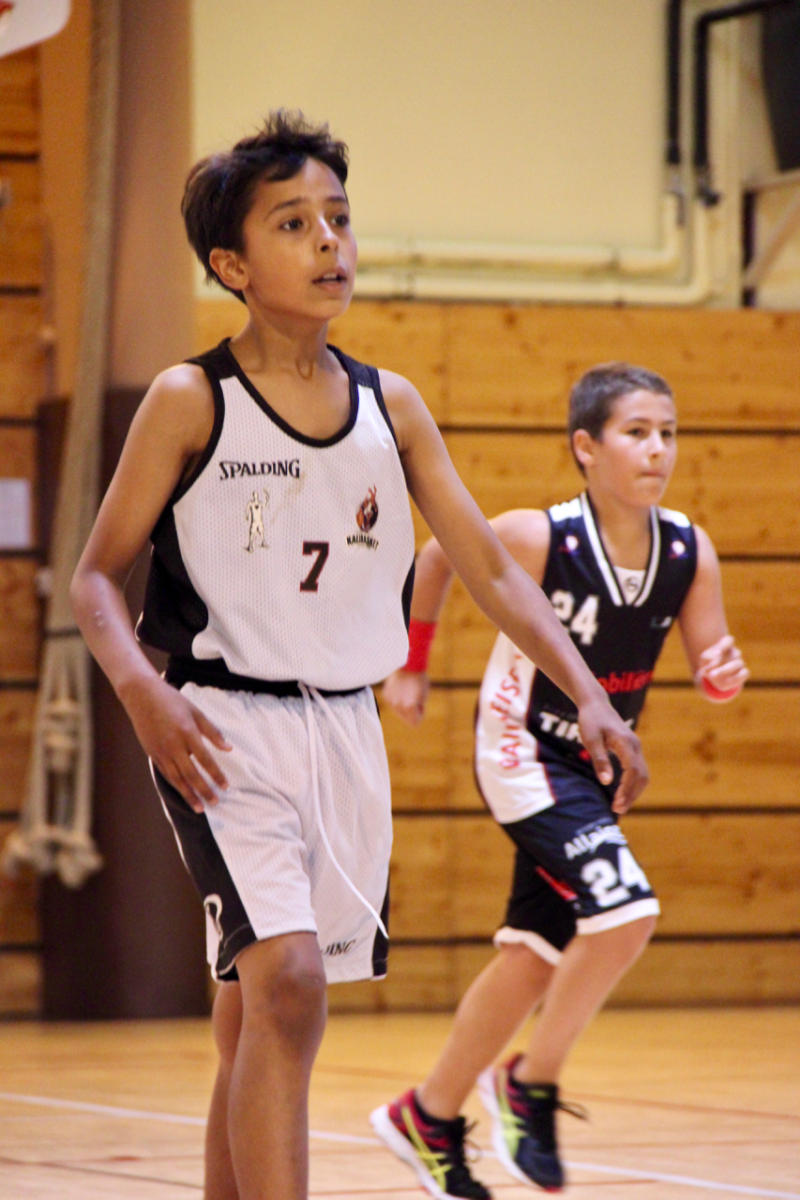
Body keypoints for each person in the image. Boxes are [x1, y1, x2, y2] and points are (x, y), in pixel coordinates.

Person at [69, 112, 647, 1200]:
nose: (328, 240)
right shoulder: (191, 399)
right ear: (232, 265)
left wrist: (589, 695)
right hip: (216, 725)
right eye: (293, 223)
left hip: (343, 725)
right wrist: (142, 695)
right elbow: (95, 578)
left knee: (255, 1007)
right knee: (289, 985)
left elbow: (490, 568)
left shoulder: (394, 406)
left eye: (337, 217)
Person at [371, 362, 748, 1198]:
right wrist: (412, 662)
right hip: (522, 747)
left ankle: (427, 1114)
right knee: (626, 912)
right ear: (586, 446)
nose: (658, 449)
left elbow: (710, 665)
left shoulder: (689, 550)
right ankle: (529, 1083)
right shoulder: (538, 536)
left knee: (536, 955)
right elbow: (435, 556)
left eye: (668, 433)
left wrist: (722, 673)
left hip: (598, 767)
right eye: (636, 432)